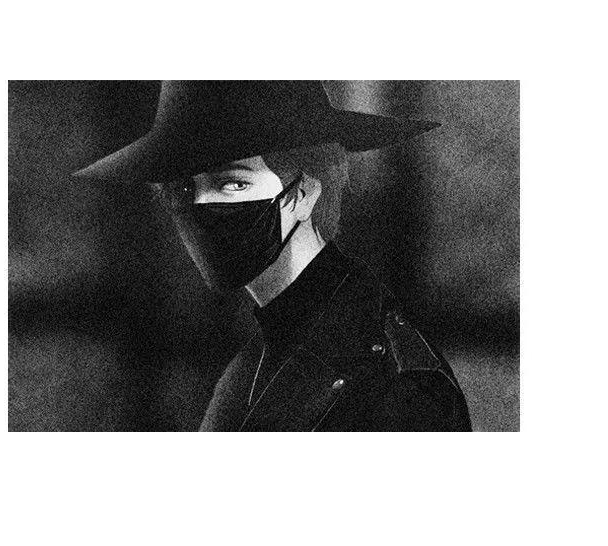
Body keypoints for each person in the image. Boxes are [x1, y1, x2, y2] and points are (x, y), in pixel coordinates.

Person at [75, 81, 472, 432]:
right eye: (184, 190)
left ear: (302, 194)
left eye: (233, 183)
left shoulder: (389, 374)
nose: (200, 206)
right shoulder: (251, 367)